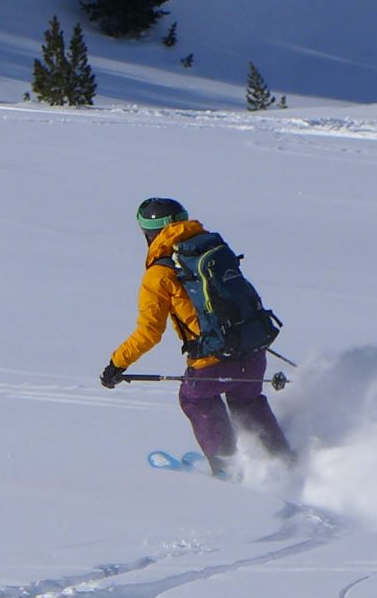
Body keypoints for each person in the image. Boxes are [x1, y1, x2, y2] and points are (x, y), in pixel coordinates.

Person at [101, 197, 290, 478]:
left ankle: (226, 468)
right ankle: (285, 462)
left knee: (195, 398)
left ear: (150, 232)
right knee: (247, 400)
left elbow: (149, 332)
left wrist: (116, 365)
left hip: (212, 360)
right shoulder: (213, 249)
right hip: (252, 351)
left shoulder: (159, 274)